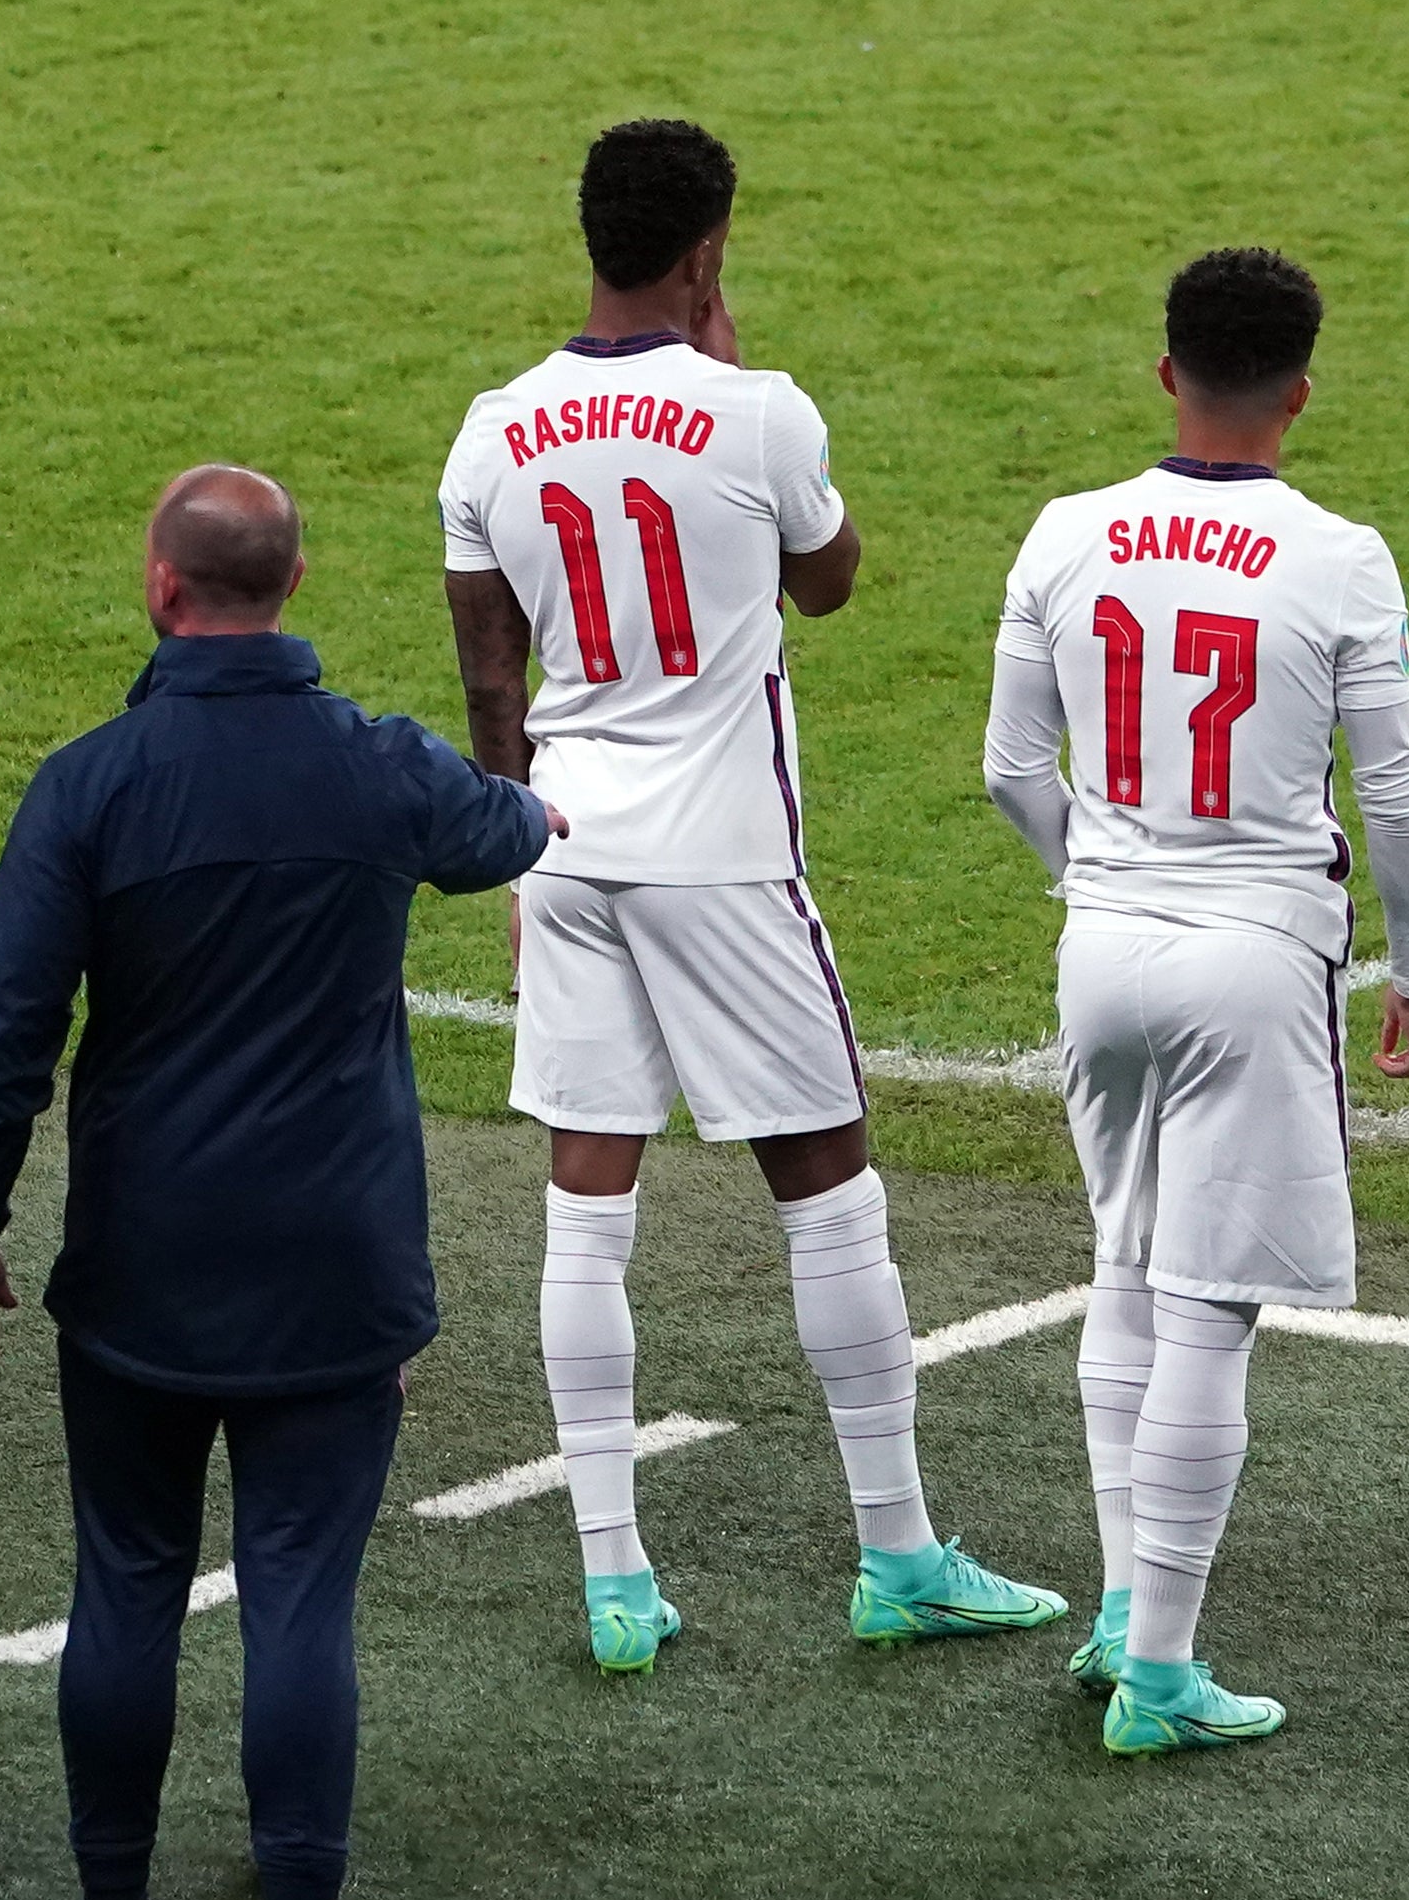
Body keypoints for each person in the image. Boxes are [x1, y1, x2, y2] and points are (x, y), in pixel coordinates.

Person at [0, 468, 554, 1900]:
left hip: (141, 1262)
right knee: (298, 1602)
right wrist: (541, 786)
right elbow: (505, 832)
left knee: (125, 1586)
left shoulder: (92, 785)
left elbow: (4, 1021)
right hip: (334, 1270)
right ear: (291, 585)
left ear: (162, 588)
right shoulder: (378, 769)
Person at [440, 116, 1064, 1673]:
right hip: (723, 860)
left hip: (564, 843)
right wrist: (736, 364)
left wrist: (514, 837)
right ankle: (900, 1554)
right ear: (708, 247)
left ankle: (611, 1577)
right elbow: (832, 577)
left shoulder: (489, 431)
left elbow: (487, 669)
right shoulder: (756, 412)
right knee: (829, 1187)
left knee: (587, 1204)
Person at [983, 246, 1409, 1757]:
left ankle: (1123, 1608)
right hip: (1252, 954)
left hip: (1099, 948)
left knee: (1122, 1260)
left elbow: (1006, 771)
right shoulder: (1340, 556)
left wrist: (1096, 881)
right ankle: (1162, 1674)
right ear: (1300, 392)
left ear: (1163, 372)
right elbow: (1395, 796)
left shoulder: (1065, 533)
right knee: (1209, 1306)